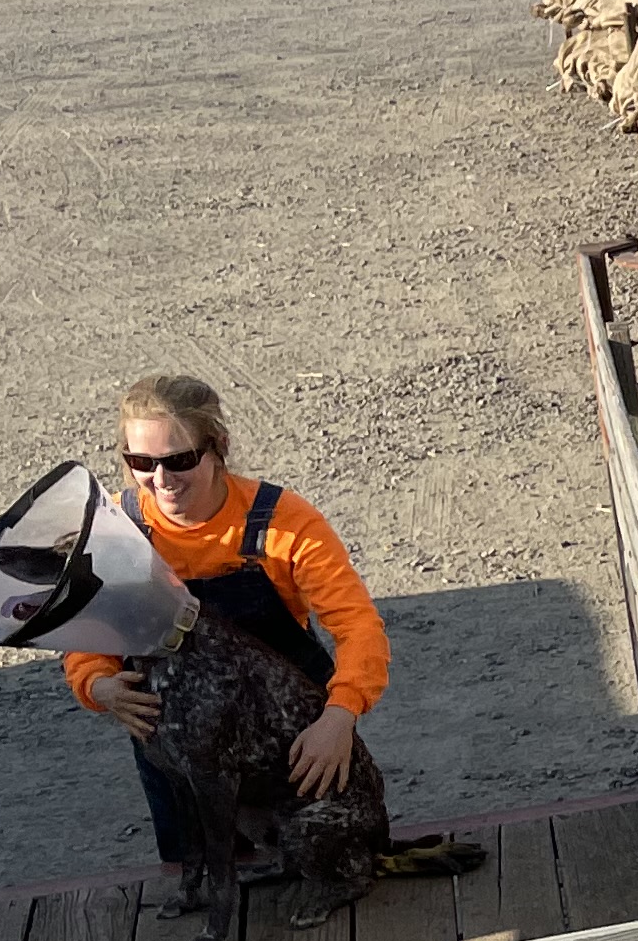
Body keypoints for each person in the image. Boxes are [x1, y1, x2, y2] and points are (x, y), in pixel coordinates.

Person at [62, 374, 392, 907]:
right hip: (175, 744)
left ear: (219, 450)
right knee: (194, 874)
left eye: (180, 459)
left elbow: (358, 626)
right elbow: (87, 634)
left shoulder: (284, 523)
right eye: (141, 462)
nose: (160, 479)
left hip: (288, 753)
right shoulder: (117, 530)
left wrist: (340, 715)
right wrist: (98, 684)